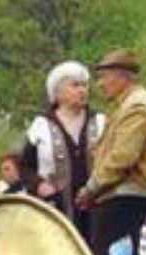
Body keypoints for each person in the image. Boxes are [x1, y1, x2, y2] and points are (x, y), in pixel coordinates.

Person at [78, 49, 146, 255]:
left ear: (122, 77)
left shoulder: (137, 107)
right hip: (122, 195)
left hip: (123, 196)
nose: (101, 84)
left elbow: (122, 159)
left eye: (105, 76)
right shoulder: (131, 105)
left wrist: (91, 189)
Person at [23, 60, 105, 238]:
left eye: (84, 85)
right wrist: (39, 185)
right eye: (75, 85)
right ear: (58, 92)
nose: (82, 90)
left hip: (97, 211)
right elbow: (25, 167)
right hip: (56, 210)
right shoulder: (41, 126)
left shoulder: (101, 122)